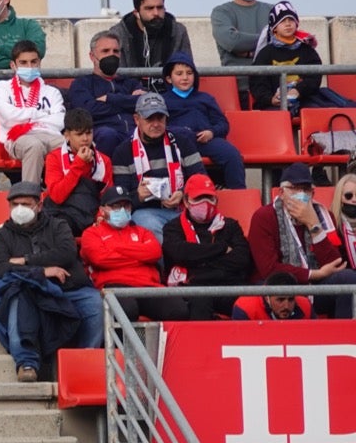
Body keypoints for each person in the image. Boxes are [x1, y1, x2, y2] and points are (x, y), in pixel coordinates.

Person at [0, 181, 103, 383]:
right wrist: (43, 271)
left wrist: (25, 260)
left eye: (25, 204)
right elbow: (0, 267)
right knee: (15, 299)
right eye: (14, 204)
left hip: (69, 287)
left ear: (39, 206)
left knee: (96, 304)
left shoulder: (58, 225)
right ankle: (26, 363)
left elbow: (66, 253)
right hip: (31, 289)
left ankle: (82, 360)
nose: (19, 209)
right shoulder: (3, 235)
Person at [247, 163, 356, 317]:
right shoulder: (264, 216)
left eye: (305, 189)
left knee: (349, 278)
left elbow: (335, 263)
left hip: (314, 287)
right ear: (281, 192)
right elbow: (269, 269)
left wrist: (313, 225)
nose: (300, 193)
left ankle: (345, 337)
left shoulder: (324, 216)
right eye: (294, 188)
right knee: (277, 290)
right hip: (278, 287)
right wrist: (313, 274)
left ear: (312, 193)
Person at [79, 186, 188, 322]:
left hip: (148, 286)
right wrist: (139, 255)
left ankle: (159, 343)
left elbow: (154, 252)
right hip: (115, 286)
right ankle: (133, 344)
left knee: (178, 309)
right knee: (127, 310)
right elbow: (100, 259)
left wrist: (117, 249)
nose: (122, 210)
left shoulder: (143, 232)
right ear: (102, 210)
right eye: (116, 206)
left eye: (126, 206)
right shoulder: (91, 234)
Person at [110, 93, 208, 235]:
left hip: (183, 210)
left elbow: (201, 179)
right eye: (150, 119)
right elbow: (120, 200)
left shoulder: (183, 143)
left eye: (160, 118)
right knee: (147, 223)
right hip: (146, 213)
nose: (156, 124)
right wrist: (139, 196)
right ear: (137, 119)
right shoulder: (123, 152)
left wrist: (183, 194)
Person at [162, 53, 246, 190]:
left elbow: (222, 124)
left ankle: (238, 195)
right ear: (169, 78)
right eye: (179, 73)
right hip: (177, 146)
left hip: (205, 141)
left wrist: (211, 132)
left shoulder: (205, 98)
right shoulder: (163, 100)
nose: (185, 77)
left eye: (189, 73)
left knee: (232, 155)